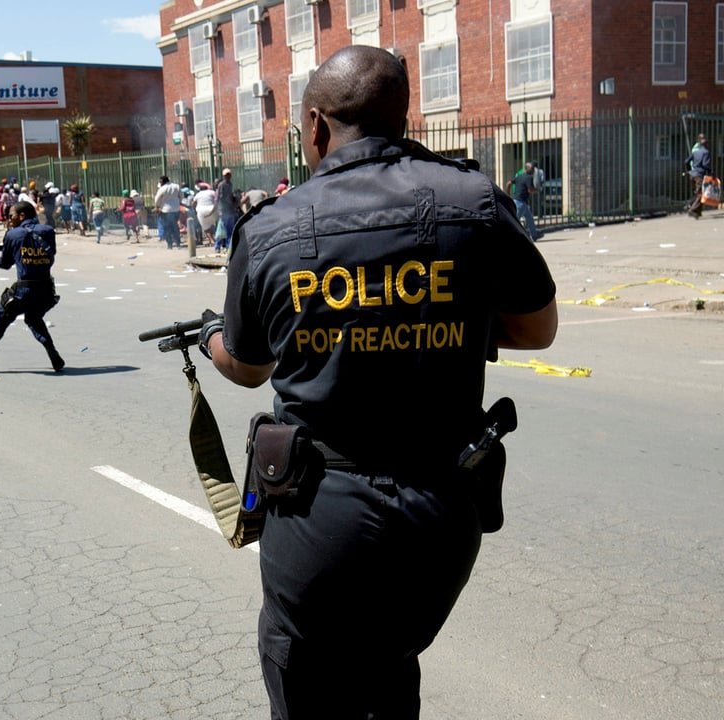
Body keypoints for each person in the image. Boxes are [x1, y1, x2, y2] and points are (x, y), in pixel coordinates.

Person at [197, 46, 558, 719]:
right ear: (404, 113)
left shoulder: (272, 228)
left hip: (320, 514)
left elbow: (247, 369)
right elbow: (536, 331)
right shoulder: (474, 200)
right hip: (441, 511)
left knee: (306, 675)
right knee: (391, 667)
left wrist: (210, 338)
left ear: (314, 125)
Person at [0, 200, 65, 374]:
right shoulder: (48, 231)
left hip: (24, 291)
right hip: (46, 290)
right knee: (33, 319)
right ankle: (53, 354)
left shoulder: (13, 235)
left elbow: (4, 264)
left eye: (11, 216)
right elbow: (50, 254)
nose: (9, 219)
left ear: (21, 216)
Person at [507, 161, 544, 241]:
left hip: (518, 202)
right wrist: (536, 190)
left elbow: (509, 183)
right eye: (533, 168)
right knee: (515, 221)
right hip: (520, 203)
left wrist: (508, 193)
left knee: (529, 218)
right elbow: (530, 190)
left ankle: (534, 235)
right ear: (531, 169)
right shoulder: (529, 177)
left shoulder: (520, 177)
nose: (534, 170)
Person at [686, 133, 712, 219]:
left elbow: (686, 161)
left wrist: (689, 170)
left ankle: (697, 212)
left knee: (698, 193)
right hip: (699, 175)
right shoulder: (706, 152)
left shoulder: (695, 151)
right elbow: (705, 164)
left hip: (692, 174)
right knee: (701, 194)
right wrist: (711, 173)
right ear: (706, 144)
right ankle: (692, 210)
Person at [154, 175, 183, 249]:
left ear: (163, 181)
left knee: (167, 228)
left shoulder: (162, 188)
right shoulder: (176, 186)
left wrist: (157, 206)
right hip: (176, 209)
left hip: (165, 210)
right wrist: (178, 202)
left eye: (160, 181)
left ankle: (170, 244)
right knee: (175, 227)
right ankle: (178, 243)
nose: (160, 183)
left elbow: (157, 199)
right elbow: (181, 196)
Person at [215, 168, 238, 253]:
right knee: (221, 230)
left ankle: (228, 247)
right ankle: (217, 247)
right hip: (224, 210)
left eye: (228, 175)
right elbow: (219, 198)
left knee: (230, 230)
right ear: (224, 176)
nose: (227, 177)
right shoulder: (221, 185)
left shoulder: (230, 185)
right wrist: (220, 211)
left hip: (230, 210)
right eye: (226, 175)